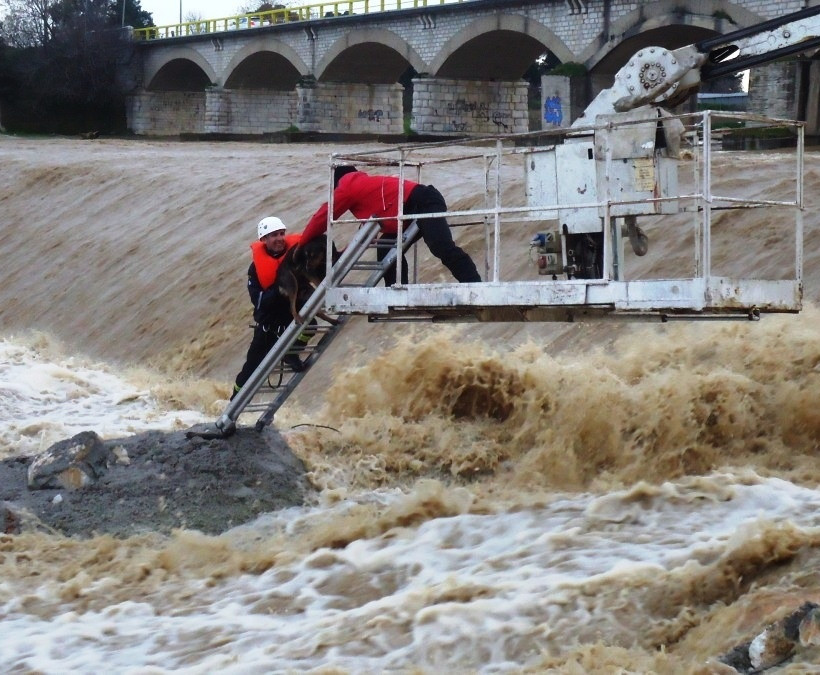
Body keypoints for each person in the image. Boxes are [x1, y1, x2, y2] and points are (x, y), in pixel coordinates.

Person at [300, 165, 481, 285]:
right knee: (385, 249)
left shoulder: (348, 185)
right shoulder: (367, 193)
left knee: (441, 246)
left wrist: (300, 245)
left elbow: (323, 216)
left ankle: (474, 285)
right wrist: (341, 256)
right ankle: (396, 290)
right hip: (407, 210)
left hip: (423, 201)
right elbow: (362, 238)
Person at [231, 216, 309, 400]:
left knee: (310, 324)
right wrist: (279, 289)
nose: (280, 238)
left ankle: (292, 354)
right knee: (250, 371)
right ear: (264, 240)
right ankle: (232, 405)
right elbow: (259, 301)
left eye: (282, 233)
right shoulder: (255, 270)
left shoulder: (295, 257)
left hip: (292, 320)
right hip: (268, 328)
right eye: (274, 235)